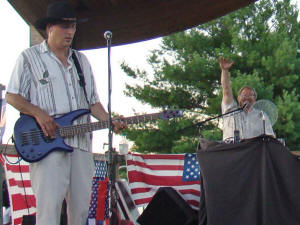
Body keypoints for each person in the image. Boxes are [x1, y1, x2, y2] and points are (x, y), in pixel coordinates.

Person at [5, 2, 125, 225]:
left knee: (80, 212)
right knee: (49, 211)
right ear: (50, 28)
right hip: (47, 144)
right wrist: (39, 114)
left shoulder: (81, 61)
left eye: (73, 26)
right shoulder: (29, 58)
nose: (70, 32)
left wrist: (110, 120)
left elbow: (92, 103)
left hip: (80, 145)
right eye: (64, 26)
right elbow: (12, 96)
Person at [218, 57, 275, 142]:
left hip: (253, 152)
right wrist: (225, 71)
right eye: (244, 95)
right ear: (238, 97)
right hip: (231, 152)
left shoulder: (261, 116)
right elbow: (226, 89)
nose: (247, 98)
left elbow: (271, 138)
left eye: (250, 95)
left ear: (255, 98)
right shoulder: (229, 110)